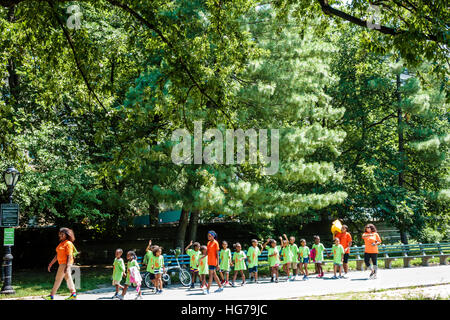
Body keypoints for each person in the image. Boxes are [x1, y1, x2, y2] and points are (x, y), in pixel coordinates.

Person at [43, 227, 77, 300]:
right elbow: (57, 255)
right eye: (59, 234)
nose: (60, 235)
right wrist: (51, 264)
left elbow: (69, 255)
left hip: (65, 263)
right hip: (62, 263)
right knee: (68, 278)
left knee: (58, 279)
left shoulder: (68, 243)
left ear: (66, 234)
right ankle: (73, 295)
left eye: (62, 234)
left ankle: (51, 296)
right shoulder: (61, 243)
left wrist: (67, 266)